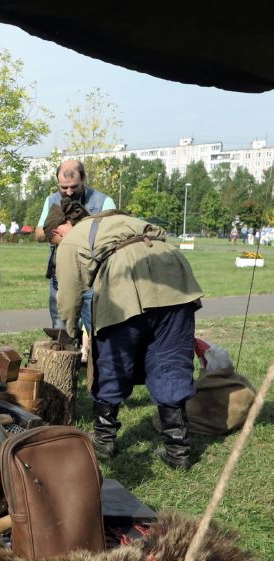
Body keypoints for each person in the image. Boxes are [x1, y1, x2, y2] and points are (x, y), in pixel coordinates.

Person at [48, 201, 203, 470]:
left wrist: (70, 334)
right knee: (170, 362)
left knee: (111, 362)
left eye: (54, 242)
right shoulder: (115, 221)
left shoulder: (71, 241)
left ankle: (104, 442)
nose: (57, 245)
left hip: (126, 279)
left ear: (58, 231)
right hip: (175, 276)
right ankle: (178, 452)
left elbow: (69, 296)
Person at [36, 160, 116, 362]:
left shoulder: (104, 202)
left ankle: (96, 368)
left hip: (94, 276)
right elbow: (38, 234)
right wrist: (57, 227)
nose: (69, 192)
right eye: (63, 188)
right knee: (61, 326)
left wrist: (76, 232)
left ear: (84, 179)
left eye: (74, 187)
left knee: (96, 325)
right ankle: (64, 367)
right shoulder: (51, 200)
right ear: (57, 182)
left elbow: (114, 235)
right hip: (61, 275)